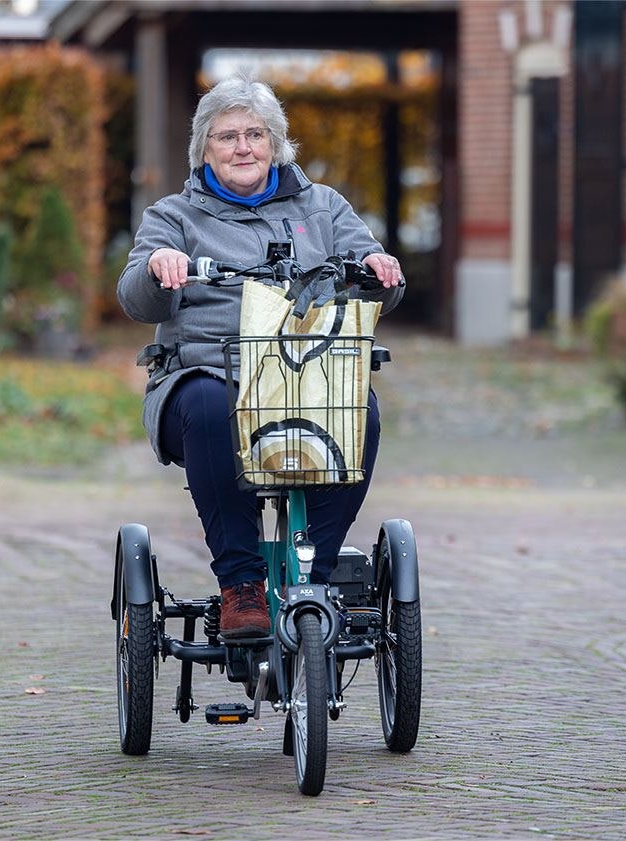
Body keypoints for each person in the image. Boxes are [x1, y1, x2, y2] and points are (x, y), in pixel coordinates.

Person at [117, 74, 404, 639]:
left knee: (361, 408)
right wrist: (160, 269)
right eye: (227, 136)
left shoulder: (322, 207)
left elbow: (376, 277)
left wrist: (381, 274)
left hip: (307, 380)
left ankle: (315, 581)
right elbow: (132, 295)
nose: (242, 147)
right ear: (204, 150)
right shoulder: (173, 216)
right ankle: (241, 584)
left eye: (255, 133)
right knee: (206, 402)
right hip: (206, 376)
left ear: (275, 143)